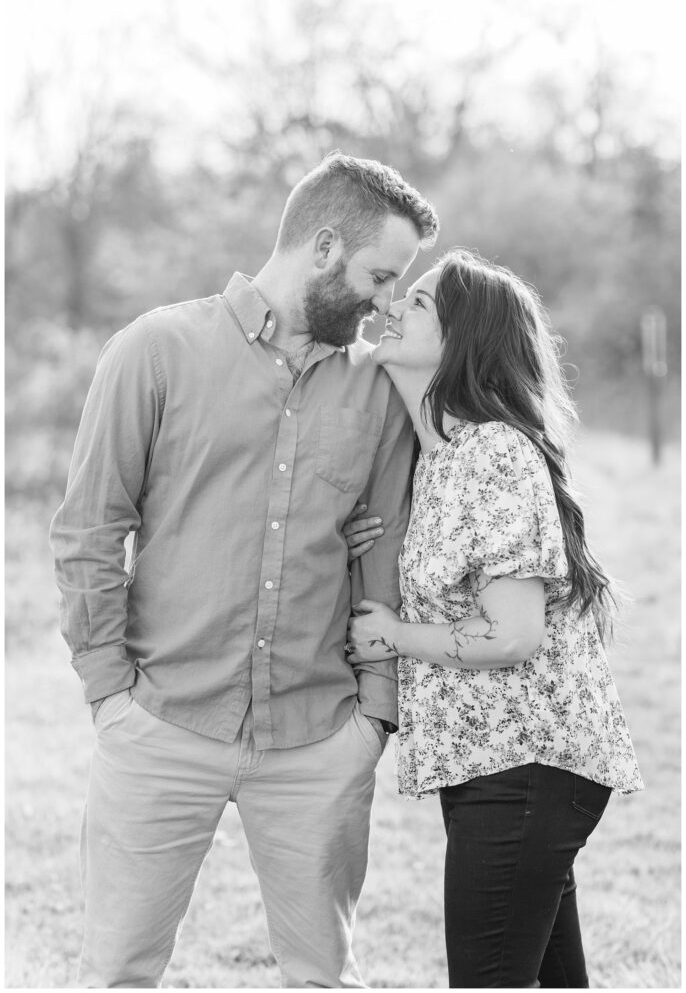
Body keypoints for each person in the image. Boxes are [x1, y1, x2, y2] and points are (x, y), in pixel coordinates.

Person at [49, 151, 439, 988]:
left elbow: (386, 553)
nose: (385, 302)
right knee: (116, 974)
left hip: (318, 737)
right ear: (325, 245)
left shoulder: (379, 388)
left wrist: (373, 717)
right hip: (159, 723)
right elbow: (88, 529)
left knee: (322, 979)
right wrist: (108, 691)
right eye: (380, 275)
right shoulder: (155, 350)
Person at [346, 248, 643, 988]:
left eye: (416, 303)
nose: (391, 308)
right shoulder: (440, 459)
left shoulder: (493, 452)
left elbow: (513, 633)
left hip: (525, 767)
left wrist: (391, 635)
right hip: (500, 769)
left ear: (460, 340)